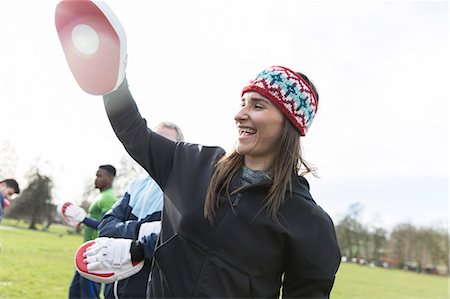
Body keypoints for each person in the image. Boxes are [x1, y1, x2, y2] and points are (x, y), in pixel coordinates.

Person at [56, 4, 341, 298]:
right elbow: (135, 134)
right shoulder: (193, 164)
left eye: (257, 105)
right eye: (243, 103)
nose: (240, 114)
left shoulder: (308, 222)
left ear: (289, 125)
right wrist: (112, 83)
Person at [98, 122, 184, 299]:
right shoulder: (136, 185)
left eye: (165, 142)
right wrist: (142, 230)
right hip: (114, 288)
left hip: (150, 290)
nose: (157, 146)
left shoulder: (182, 189)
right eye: (154, 139)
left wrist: (127, 237)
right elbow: (106, 227)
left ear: (178, 149)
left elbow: (172, 243)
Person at [67, 164, 118, 299]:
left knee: (89, 295)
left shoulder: (109, 198)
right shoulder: (100, 197)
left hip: (95, 253)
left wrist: (83, 218)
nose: (95, 179)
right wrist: (80, 220)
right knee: (75, 292)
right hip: (85, 253)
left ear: (109, 179)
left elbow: (106, 225)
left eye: (99, 176)